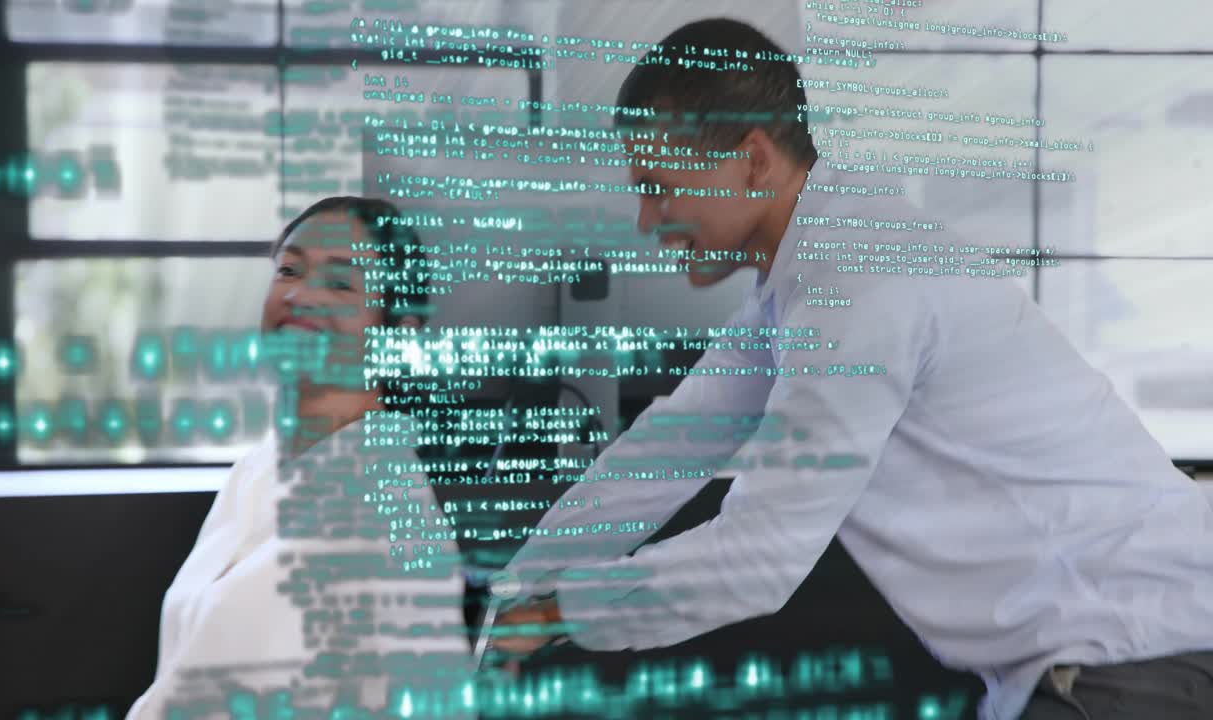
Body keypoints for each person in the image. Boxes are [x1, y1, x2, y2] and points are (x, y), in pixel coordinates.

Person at [490, 18, 1213, 720]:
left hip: (1135, 658)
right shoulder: (805, 280)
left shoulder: (856, 283)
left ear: (751, 160)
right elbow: (665, 450)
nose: (647, 219)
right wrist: (508, 601)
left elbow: (756, 560)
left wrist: (553, 611)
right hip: (1100, 656)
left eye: (659, 185)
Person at [127, 197, 475, 719]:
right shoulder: (257, 470)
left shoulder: (384, 517)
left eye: (340, 284)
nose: (300, 294)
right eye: (289, 269)